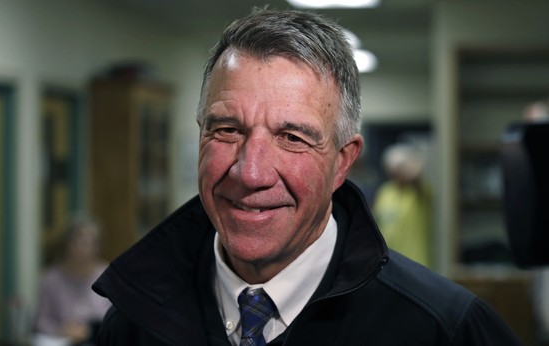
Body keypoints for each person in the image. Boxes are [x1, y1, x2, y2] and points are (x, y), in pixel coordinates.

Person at [92, 8, 522, 345]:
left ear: (342, 162)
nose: (251, 172)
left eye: (292, 137)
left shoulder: (443, 330)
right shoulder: (132, 322)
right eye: (227, 129)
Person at [35, 216, 111, 345]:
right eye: (76, 242)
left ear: (97, 247)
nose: (81, 249)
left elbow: (114, 318)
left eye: (87, 243)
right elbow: (41, 320)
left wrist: (90, 330)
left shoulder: (107, 276)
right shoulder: (51, 279)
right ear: (66, 245)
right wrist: (61, 330)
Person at [372, 143, 432, 268]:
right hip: (389, 262)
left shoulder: (418, 191)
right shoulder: (386, 191)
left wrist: (408, 164)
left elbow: (417, 174)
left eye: (399, 168)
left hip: (415, 263)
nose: (395, 172)